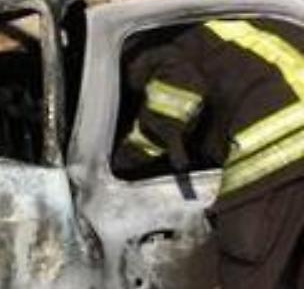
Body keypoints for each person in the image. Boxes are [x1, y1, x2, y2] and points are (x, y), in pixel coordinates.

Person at [113, 19, 304, 287]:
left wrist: (128, 158)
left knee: (245, 260)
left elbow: (175, 101)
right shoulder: (226, 24)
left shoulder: (144, 48)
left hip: (280, 141)